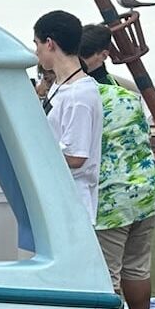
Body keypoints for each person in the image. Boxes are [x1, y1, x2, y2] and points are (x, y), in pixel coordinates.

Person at [80, 25, 155, 309]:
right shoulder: (127, 96)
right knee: (137, 268)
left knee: (108, 277)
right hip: (146, 192)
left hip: (109, 198)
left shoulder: (82, 95)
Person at [34, 11, 103, 220]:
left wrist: (29, 158)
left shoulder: (79, 94)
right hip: (55, 198)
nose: (35, 51)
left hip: (71, 206)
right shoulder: (60, 86)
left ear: (49, 43)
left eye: (36, 43)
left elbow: (76, 157)